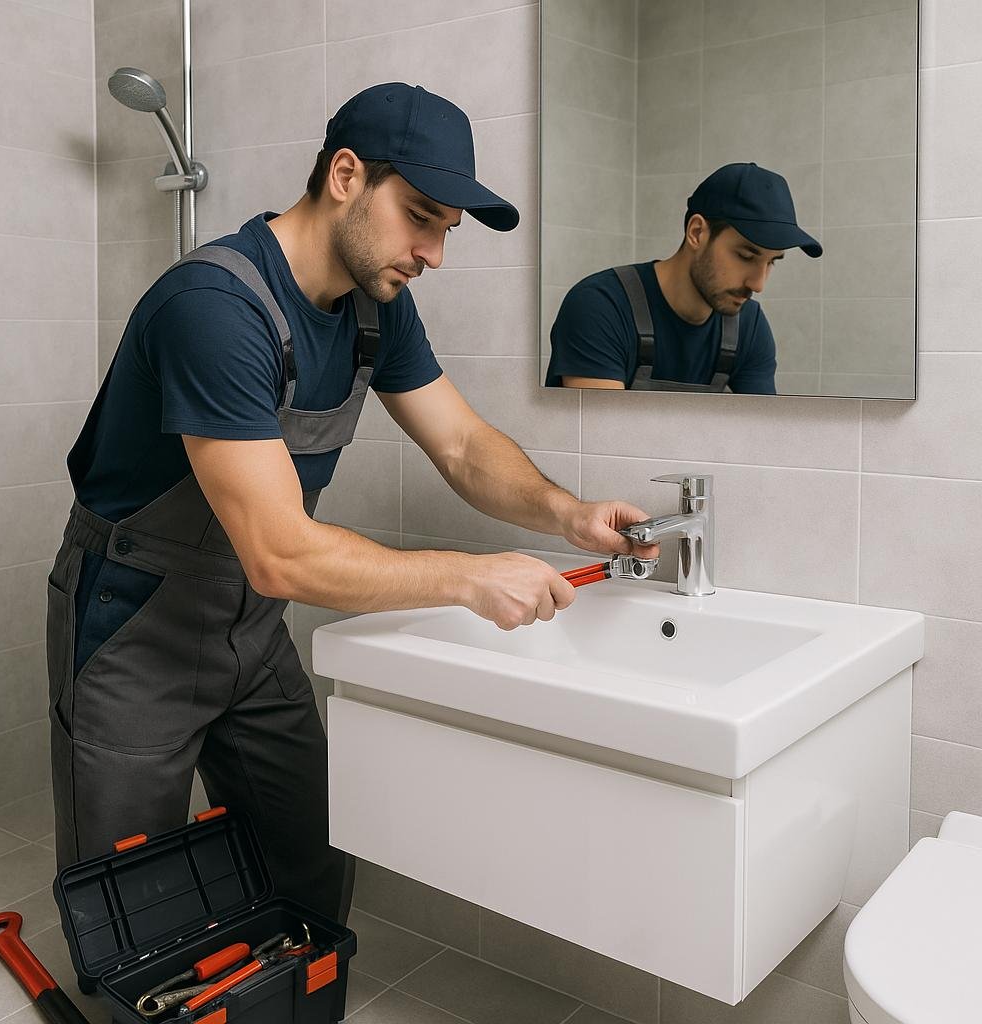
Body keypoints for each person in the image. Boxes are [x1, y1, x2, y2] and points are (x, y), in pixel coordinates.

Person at [45, 82, 658, 940]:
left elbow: (462, 446)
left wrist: (567, 513)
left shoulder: (378, 309)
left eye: (445, 228)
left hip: (248, 628)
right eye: (421, 216)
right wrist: (470, 579)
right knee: (128, 902)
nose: (434, 252)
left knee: (311, 856)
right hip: (136, 624)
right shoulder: (214, 309)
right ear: (344, 175)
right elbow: (282, 554)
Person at [545, 163, 823, 394]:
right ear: (697, 232)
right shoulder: (601, 306)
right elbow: (598, 442)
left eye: (771, 262)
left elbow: (761, 438)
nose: (758, 284)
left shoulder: (748, 326)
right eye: (746, 256)